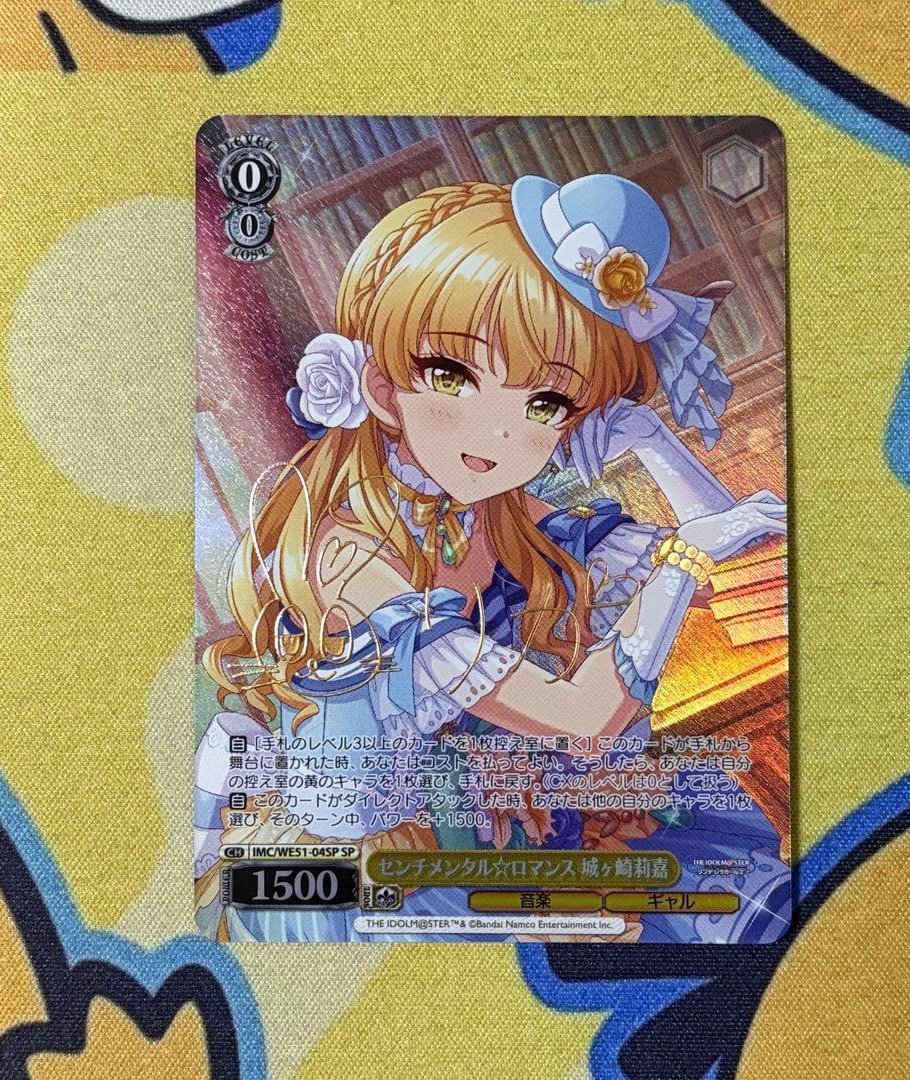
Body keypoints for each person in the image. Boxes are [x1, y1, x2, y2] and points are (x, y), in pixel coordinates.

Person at [194, 174, 788, 942]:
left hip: (510, 824)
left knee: (742, 905)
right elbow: (585, 721)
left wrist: (651, 440)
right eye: (453, 376)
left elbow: (735, 548)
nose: (502, 432)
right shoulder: (345, 556)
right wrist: (680, 564)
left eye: (547, 403)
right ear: (382, 385)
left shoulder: (490, 508)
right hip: (381, 881)